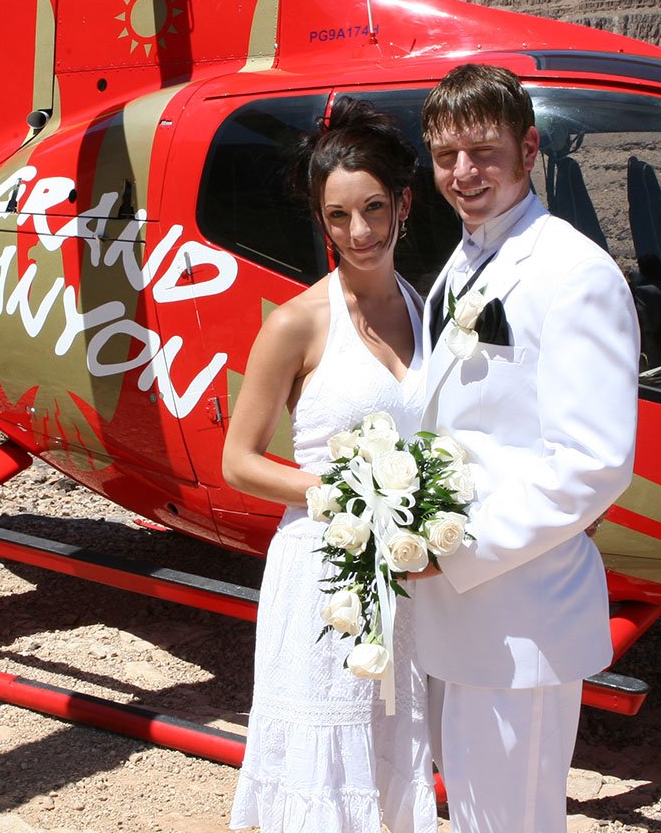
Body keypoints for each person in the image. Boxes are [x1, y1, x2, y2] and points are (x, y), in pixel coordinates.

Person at [408, 63, 639, 832]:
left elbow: (594, 463)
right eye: (446, 156)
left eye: (483, 152)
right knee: (473, 813)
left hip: (520, 610)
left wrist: (456, 549)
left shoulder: (575, 273)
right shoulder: (465, 258)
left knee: (512, 821)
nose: (464, 173)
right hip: (457, 610)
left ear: (529, 148)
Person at [222, 98, 436, 833]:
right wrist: (349, 495)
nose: (360, 232)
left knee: (387, 747)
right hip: (322, 574)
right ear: (321, 220)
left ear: (403, 204)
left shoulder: (425, 309)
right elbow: (240, 461)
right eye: (339, 216)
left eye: (374, 208)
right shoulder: (296, 324)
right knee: (325, 757)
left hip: (401, 578)